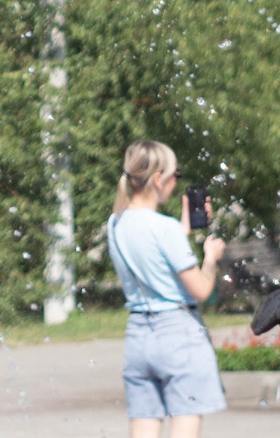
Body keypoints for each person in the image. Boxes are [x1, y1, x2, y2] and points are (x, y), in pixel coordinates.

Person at [105, 139, 227, 438]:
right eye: (176, 175)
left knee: (144, 428)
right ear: (158, 178)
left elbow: (153, 252)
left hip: (138, 337)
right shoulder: (165, 228)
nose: (176, 181)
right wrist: (210, 259)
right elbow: (200, 290)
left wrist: (182, 230)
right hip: (178, 336)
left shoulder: (115, 223)